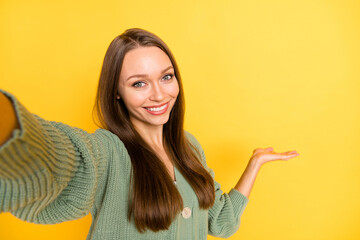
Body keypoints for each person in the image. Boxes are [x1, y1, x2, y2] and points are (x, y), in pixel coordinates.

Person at [0, 28, 299, 239]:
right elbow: (65, 157)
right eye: (139, 84)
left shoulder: (189, 146)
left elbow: (220, 222)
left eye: (166, 77)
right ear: (116, 93)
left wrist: (255, 163)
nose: (159, 94)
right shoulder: (109, 150)